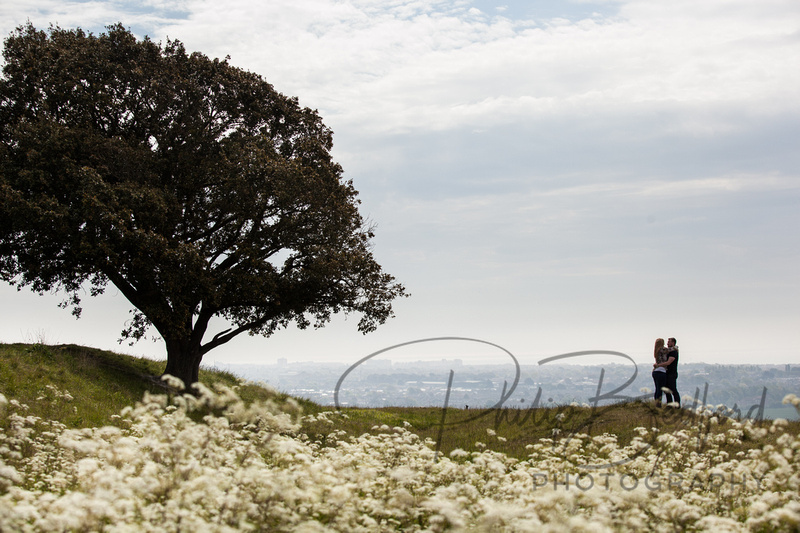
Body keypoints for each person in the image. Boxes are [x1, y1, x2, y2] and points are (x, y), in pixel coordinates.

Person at [652, 338, 671, 407]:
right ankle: (658, 405)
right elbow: (670, 350)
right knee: (660, 389)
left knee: (657, 389)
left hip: (655, 372)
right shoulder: (662, 350)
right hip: (661, 371)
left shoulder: (656, 351)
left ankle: (656, 403)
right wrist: (676, 347)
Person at [662, 337, 680, 407]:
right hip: (668, 373)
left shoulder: (673, 352)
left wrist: (658, 365)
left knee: (673, 390)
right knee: (667, 390)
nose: (667, 343)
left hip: (672, 374)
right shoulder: (669, 351)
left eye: (669, 342)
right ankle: (669, 404)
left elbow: (669, 362)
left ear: (673, 343)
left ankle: (677, 405)